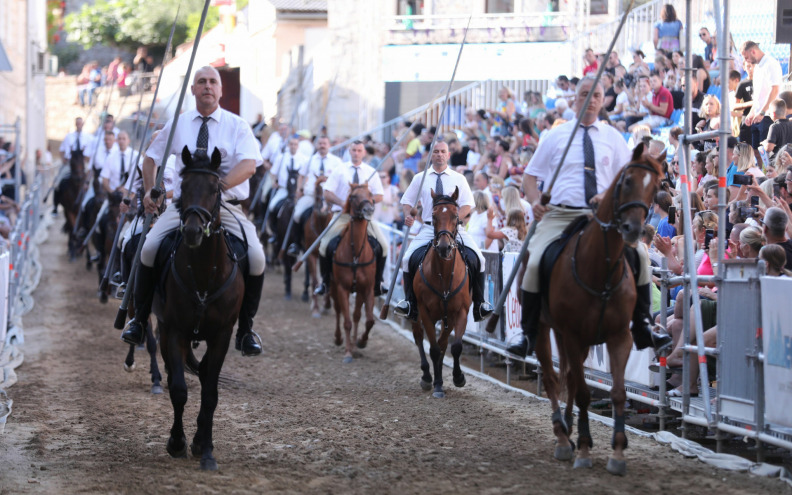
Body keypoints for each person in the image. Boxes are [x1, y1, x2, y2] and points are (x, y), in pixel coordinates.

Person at [507, 75, 672, 358]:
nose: (591, 100)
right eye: (585, 94)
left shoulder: (613, 137)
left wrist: (608, 194)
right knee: (534, 261)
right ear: (575, 98)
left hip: (601, 215)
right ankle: (528, 332)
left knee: (642, 256)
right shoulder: (555, 135)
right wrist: (535, 201)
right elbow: (530, 178)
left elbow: (627, 178)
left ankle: (644, 324)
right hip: (559, 213)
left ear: (601, 99)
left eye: (596, 95)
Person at [120, 66, 266, 357]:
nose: (207, 86)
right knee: (147, 248)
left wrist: (214, 187)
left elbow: (250, 164)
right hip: (185, 207)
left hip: (225, 204)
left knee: (257, 257)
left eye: (213, 82)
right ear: (193, 90)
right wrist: (150, 191)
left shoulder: (237, 125)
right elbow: (150, 158)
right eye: (202, 82)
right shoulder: (178, 124)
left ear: (221, 90)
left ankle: (246, 329)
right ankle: (138, 319)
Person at [393, 141, 494, 321]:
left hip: (454, 229)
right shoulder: (419, 178)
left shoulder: (459, 178)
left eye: (443, 152)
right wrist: (408, 214)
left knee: (479, 258)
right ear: (431, 155)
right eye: (436, 151)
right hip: (428, 228)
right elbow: (407, 201)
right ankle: (409, 303)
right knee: (407, 258)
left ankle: (480, 303)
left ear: (448, 155)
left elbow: (467, 205)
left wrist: (453, 222)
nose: (439, 155)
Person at [314, 141, 389, 296]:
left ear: (364, 152)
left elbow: (380, 195)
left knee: (384, 246)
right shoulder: (339, 170)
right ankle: (325, 282)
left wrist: (365, 203)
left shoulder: (371, 171)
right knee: (324, 245)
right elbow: (327, 192)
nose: (356, 153)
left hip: (365, 218)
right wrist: (343, 203)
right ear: (349, 151)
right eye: (353, 150)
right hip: (343, 216)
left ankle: (378, 282)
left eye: (359, 150)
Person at [286, 135, 342, 257]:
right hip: (311, 195)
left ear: (329, 145)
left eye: (324, 143)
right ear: (317, 145)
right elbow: (301, 175)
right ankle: (297, 244)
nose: (322, 145)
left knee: (339, 218)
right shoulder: (309, 160)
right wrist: (299, 189)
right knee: (297, 214)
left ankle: (340, 245)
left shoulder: (336, 162)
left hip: (330, 197)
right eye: (320, 143)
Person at [741, 41, 782, 150]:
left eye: (746, 57)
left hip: (768, 115)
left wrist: (763, 112)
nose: (746, 61)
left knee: (767, 152)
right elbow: (758, 95)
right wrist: (751, 113)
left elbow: (775, 89)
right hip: (758, 116)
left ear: (753, 51)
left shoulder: (770, 64)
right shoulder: (758, 67)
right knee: (756, 151)